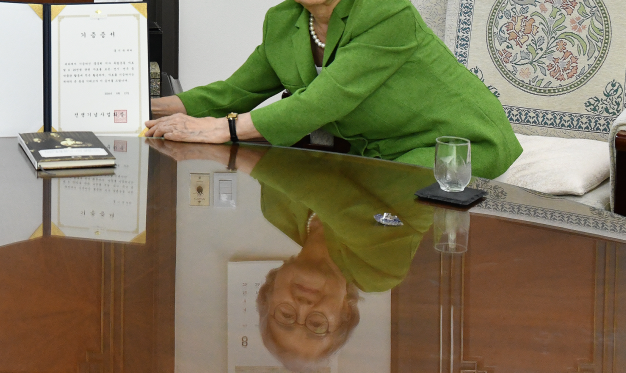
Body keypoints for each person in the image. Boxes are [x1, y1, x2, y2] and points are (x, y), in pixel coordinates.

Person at [145, 0, 521, 179]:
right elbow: (234, 92)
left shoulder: (386, 12)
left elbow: (322, 102)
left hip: (452, 146)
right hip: (377, 152)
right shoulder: (284, 21)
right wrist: (140, 111)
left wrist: (223, 128)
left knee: (364, 207)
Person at [150, 140, 434, 371]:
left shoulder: (276, 210)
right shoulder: (381, 271)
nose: (302, 305)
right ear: (345, 311)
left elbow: (285, 137)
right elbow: (381, 210)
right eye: (317, 324)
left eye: (285, 315)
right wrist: (261, 165)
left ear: (269, 291)